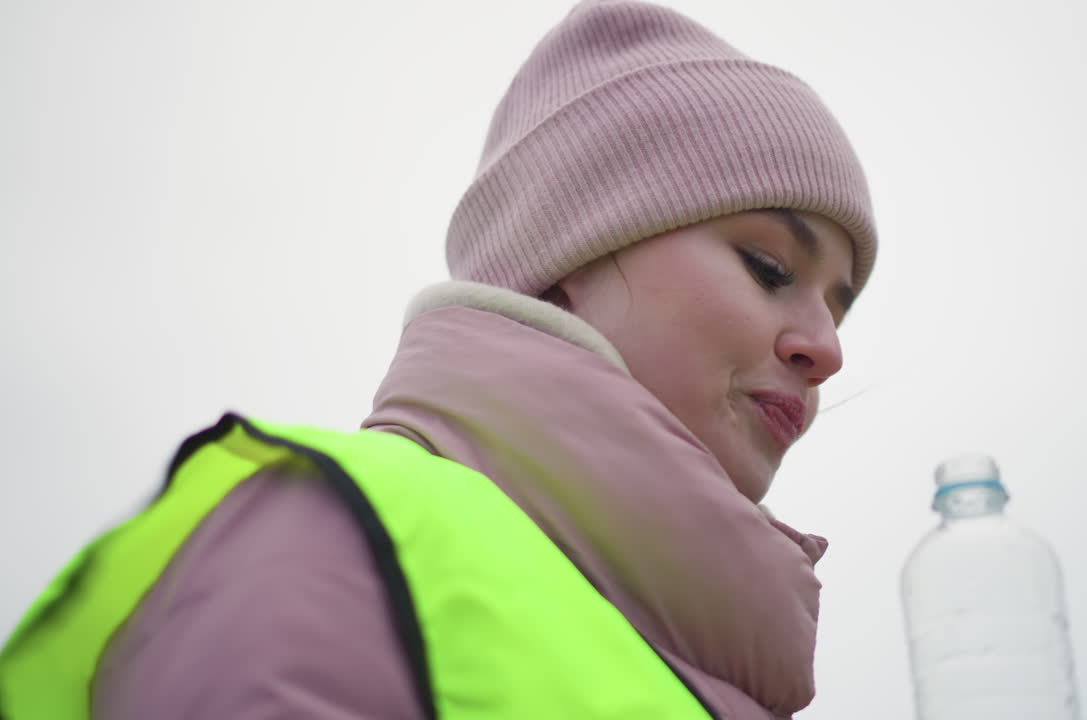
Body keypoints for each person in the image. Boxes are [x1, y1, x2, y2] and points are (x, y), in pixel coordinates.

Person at [0, 1, 876, 718]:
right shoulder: (334, 529)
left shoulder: (707, 661)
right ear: (567, 255)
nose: (826, 349)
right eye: (770, 269)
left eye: (840, 304)